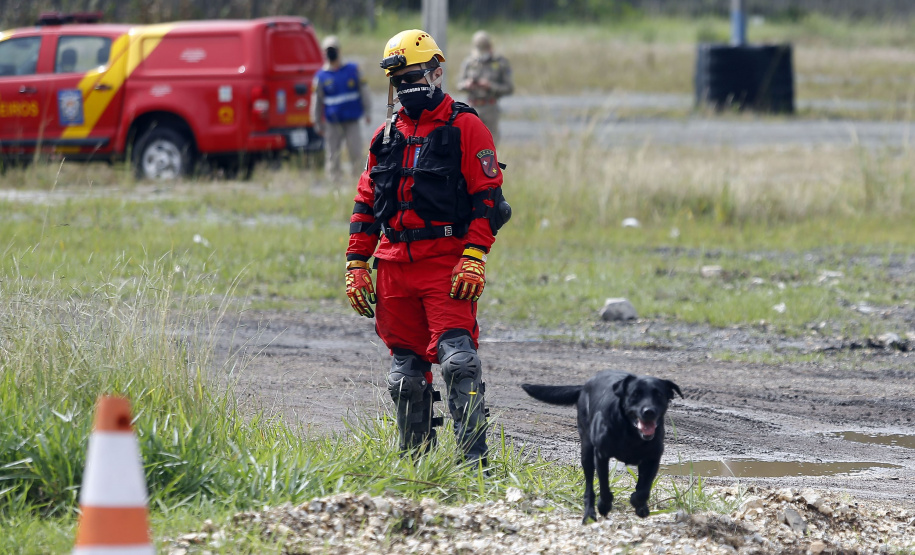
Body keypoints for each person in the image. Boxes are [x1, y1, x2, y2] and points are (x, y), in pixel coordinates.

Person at [344, 29, 510, 467]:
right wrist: (356, 262)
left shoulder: (466, 126)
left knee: (458, 362)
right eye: (399, 80)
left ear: (437, 71)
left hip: (446, 263)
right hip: (394, 265)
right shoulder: (384, 136)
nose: (407, 87)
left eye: (415, 75)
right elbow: (365, 203)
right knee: (404, 376)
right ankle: (416, 465)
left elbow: (488, 199)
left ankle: (474, 462)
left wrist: (475, 255)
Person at [311, 35, 371, 182]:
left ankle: (359, 183)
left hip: (352, 121)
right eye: (327, 50)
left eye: (333, 49)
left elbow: (364, 91)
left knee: (356, 153)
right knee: (332, 155)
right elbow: (316, 101)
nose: (330, 53)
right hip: (332, 123)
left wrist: (368, 111)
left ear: (339, 50)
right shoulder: (321, 76)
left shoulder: (352, 69)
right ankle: (335, 184)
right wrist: (316, 121)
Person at [457, 30, 514, 144]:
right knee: (469, 142)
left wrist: (490, 86)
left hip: (490, 107)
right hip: (472, 106)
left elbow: (509, 88)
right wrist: (467, 84)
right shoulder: (469, 62)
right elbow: (459, 84)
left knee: (491, 143)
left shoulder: (500, 63)